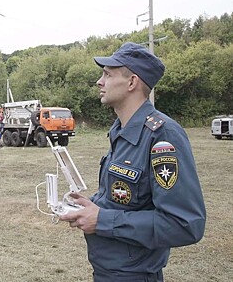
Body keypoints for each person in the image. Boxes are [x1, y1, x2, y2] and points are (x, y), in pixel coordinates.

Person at [60, 42, 206, 281]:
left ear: (132, 82)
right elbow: (125, 198)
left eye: (107, 74)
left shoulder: (162, 136)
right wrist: (89, 206)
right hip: (107, 271)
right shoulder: (120, 130)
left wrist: (103, 219)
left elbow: (185, 224)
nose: (100, 81)